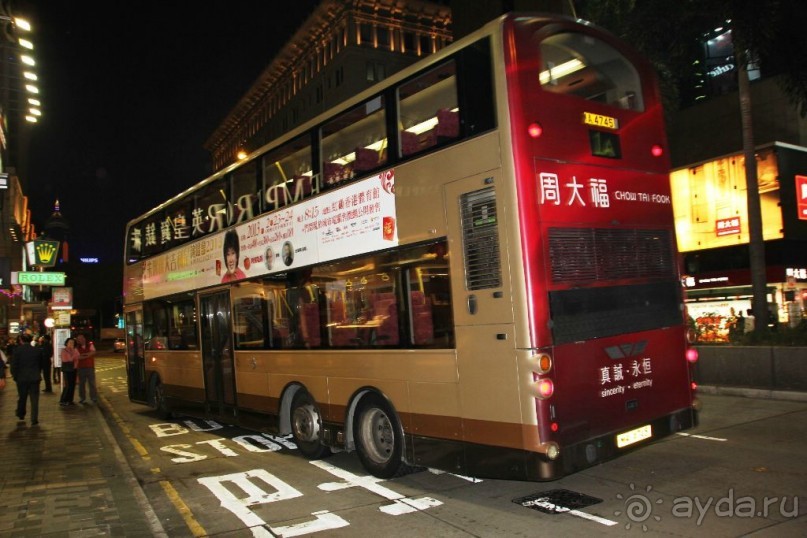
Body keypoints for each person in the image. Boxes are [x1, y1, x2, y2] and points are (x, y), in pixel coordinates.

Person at [10, 330, 42, 425]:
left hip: (22, 378)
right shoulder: (36, 350)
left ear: (21, 340)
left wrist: (15, 376)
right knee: (34, 398)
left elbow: (14, 365)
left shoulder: (17, 351)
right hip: (34, 377)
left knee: (22, 396)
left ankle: (21, 413)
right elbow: (40, 364)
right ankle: (34, 418)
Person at [75, 333, 98, 404]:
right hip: (81, 368)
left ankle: (93, 397)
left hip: (90, 367)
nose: (80, 340)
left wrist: (84, 355)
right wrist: (88, 354)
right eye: (79, 339)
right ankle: (82, 398)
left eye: (81, 338)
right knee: (81, 384)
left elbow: (93, 352)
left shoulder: (90, 345)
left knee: (92, 383)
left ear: (84, 338)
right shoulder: (76, 347)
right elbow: (78, 357)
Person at [59, 337, 80, 406]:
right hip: (67, 370)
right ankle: (63, 400)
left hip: (74, 369)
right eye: (70, 342)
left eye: (73, 342)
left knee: (72, 385)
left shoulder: (74, 350)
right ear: (66, 343)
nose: (71, 344)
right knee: (68, 385)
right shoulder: (64, 351)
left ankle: (70, 400)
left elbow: (78, 357)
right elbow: (67, 359)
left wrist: (74, 353)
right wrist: (74, 354)